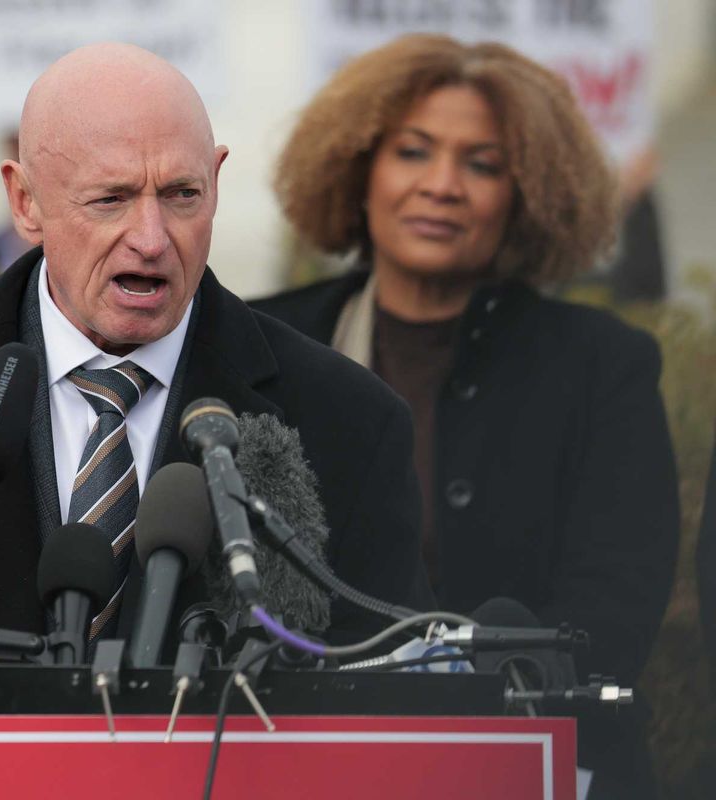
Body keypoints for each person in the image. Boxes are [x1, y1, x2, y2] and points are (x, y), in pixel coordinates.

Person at [0, 44, 428, 657]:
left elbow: (390, 717)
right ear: (24, 200)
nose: (153, 238)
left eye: (183, 195)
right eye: (111, 199)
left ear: (216, 182)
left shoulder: (349, 421)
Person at [250, 35, 679, 798]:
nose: (443, 185)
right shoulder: (261, 345)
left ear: (529, 194)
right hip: (302, 761)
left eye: (482, 163)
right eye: (413, 152)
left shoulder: (604, 364)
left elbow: (612, 614)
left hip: (538, 762)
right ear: (358, 168)